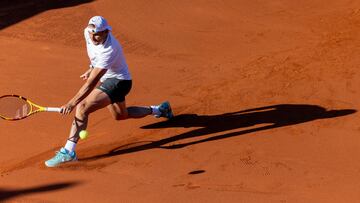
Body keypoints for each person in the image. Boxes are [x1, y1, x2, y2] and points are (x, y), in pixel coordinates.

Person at [45, 16, 173, 167]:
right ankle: (160, 109)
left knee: (82, 107)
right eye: (91, 32)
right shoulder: (87, 33)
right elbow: (94, 55)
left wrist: (72, 103)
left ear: (106, 32)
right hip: (108, 79)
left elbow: (91, 83)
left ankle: (68, 152)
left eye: (97, 33)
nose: (93, 36)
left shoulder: (110, 49)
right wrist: (92, 67)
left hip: (119, 82)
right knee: (121, 115)